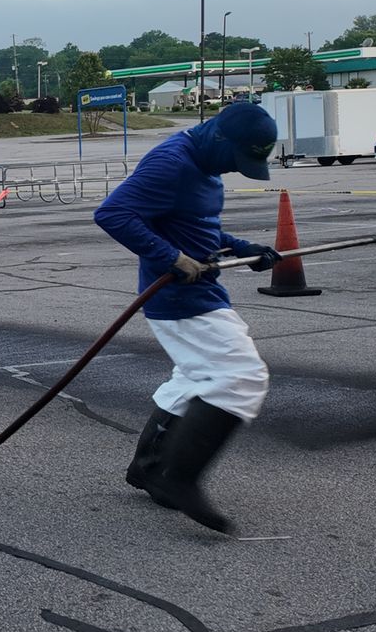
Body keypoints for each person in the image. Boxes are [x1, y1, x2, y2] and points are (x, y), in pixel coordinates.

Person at [93, 102, 282, 534]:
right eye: (235, 160)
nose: (235, 169)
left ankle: (149, 468)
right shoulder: (172, 163)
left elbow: (195, 224)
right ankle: (179, 477)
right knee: (242, 376)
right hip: (179, 297)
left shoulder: (202, 163)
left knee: (197, 376)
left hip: (196, 292)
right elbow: (112, 213)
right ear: (218, 137)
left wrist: (242, 248)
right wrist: (171, 257)